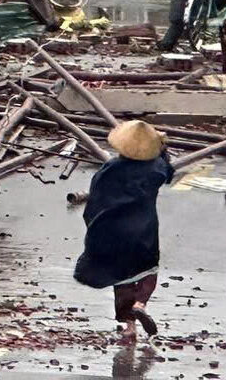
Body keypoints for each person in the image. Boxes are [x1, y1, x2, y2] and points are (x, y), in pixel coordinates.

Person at [74, 119, 173, 342]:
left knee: (122, 278)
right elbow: (168, 171)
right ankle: (141, 303)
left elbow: (96, 198)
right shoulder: (155, 169)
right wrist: (163, 149)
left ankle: (130, 327)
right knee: (148, 271)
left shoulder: (109, 169)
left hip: (111, 230)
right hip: (143, 230)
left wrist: (94, 227)